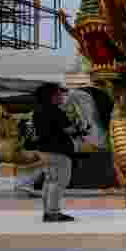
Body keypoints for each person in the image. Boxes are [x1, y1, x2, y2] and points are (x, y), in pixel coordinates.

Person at [33, 83, 81, 222]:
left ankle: (48, 211)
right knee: (58, 182)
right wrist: (78, 126)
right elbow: (69, 129)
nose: (62, 96)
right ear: (52, 96)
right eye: (59, 93)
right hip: (58, 152)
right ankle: (53, 213)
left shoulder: (38, 111)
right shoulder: (55, 111)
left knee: (49, 181)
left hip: (44, 151)